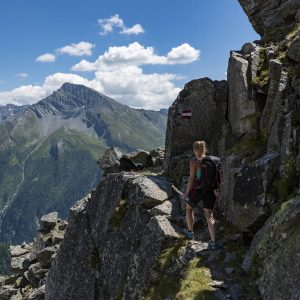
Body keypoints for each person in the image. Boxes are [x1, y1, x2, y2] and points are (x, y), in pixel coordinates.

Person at [182, 141, 221, 250]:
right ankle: (213, 242)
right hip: (210, 191)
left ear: (194, 149)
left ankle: (190, 233)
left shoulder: (194, 161)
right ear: (204, 149)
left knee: (189, 209)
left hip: (197, 190)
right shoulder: (212, 161)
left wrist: (186, 193)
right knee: (209, 216)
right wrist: (217, 191)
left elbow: (192, 178)